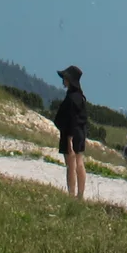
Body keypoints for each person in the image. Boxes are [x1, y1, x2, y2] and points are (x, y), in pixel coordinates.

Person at [55, 66, 89, 200]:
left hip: (70, 134)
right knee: (79, 163)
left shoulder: (71, 98)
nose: (63, 80)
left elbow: (71, 120)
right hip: (79, 133)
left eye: (65, 78)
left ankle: (71, 194)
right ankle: (80, 194)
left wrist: (69, 139)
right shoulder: (80, 97)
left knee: (71, 165)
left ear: (69, 79)